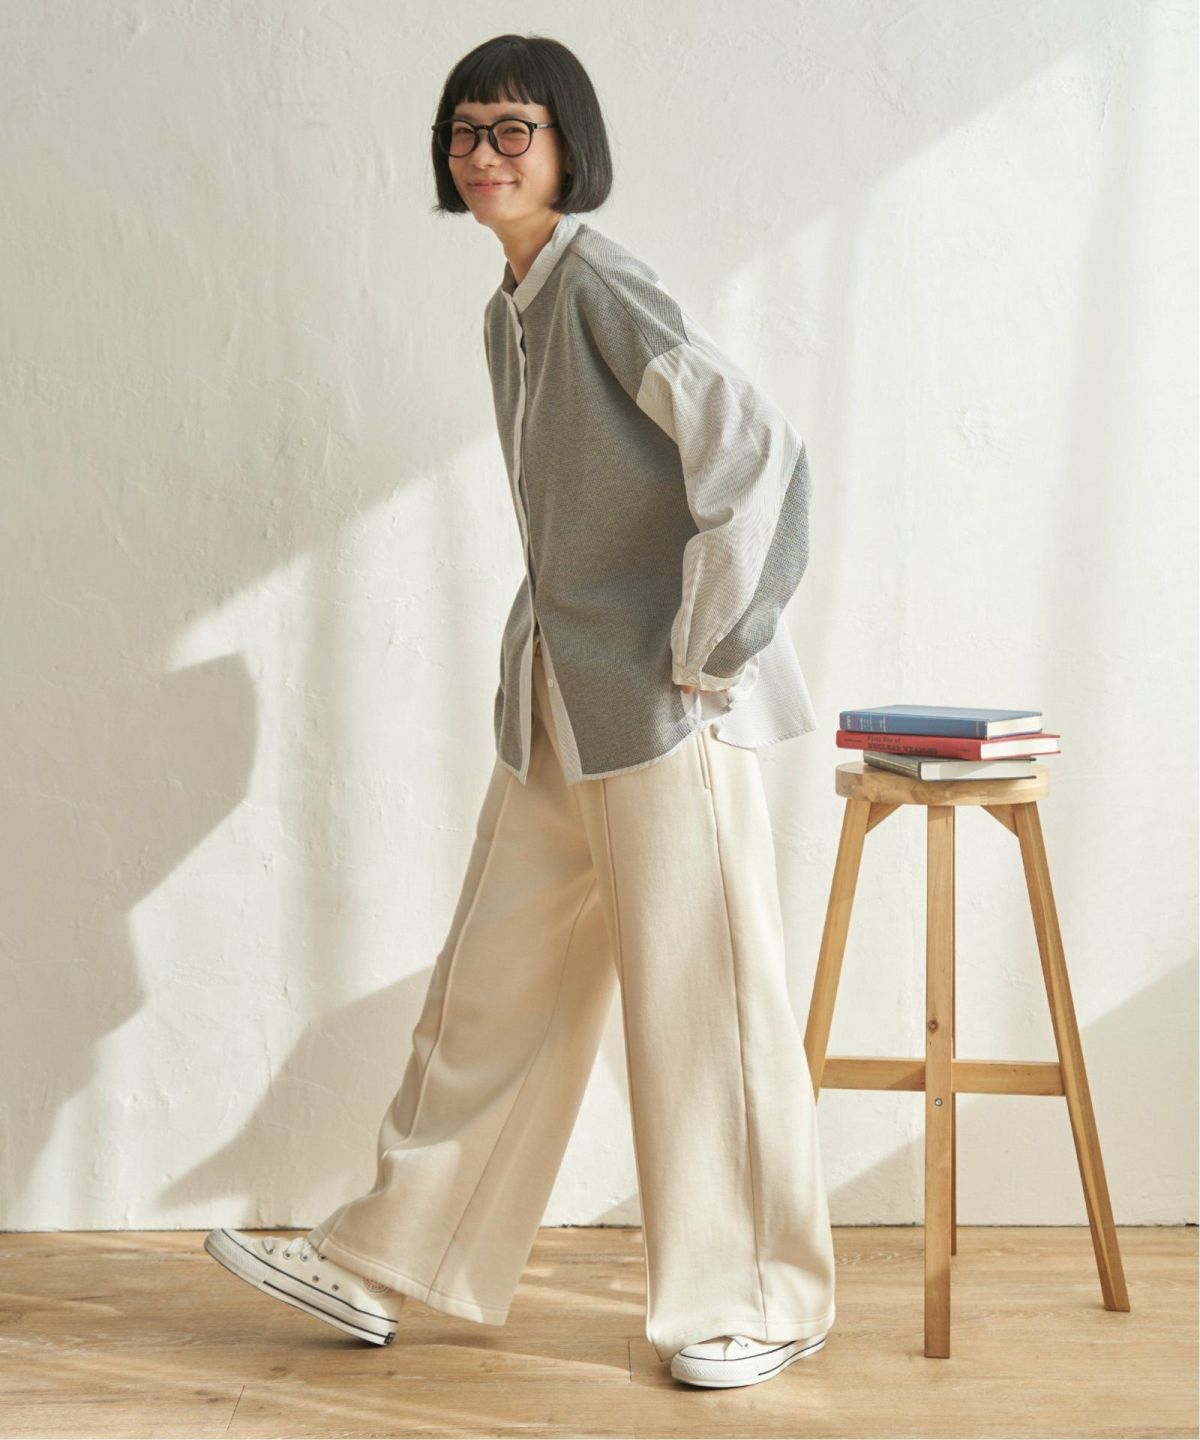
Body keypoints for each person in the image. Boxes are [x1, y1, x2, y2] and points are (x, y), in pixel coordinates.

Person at [205, 31, 836, 1392]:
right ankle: (393, 1255)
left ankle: (761, 1296)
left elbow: (759, 449)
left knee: (703, 1002)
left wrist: (710, 646)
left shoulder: (597, 282)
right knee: (492, 987)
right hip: (562, 702)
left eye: (512, 130)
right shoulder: (512, 310)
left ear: (565, 148)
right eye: (465, 131)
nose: (483, 154)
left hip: (661, 708)